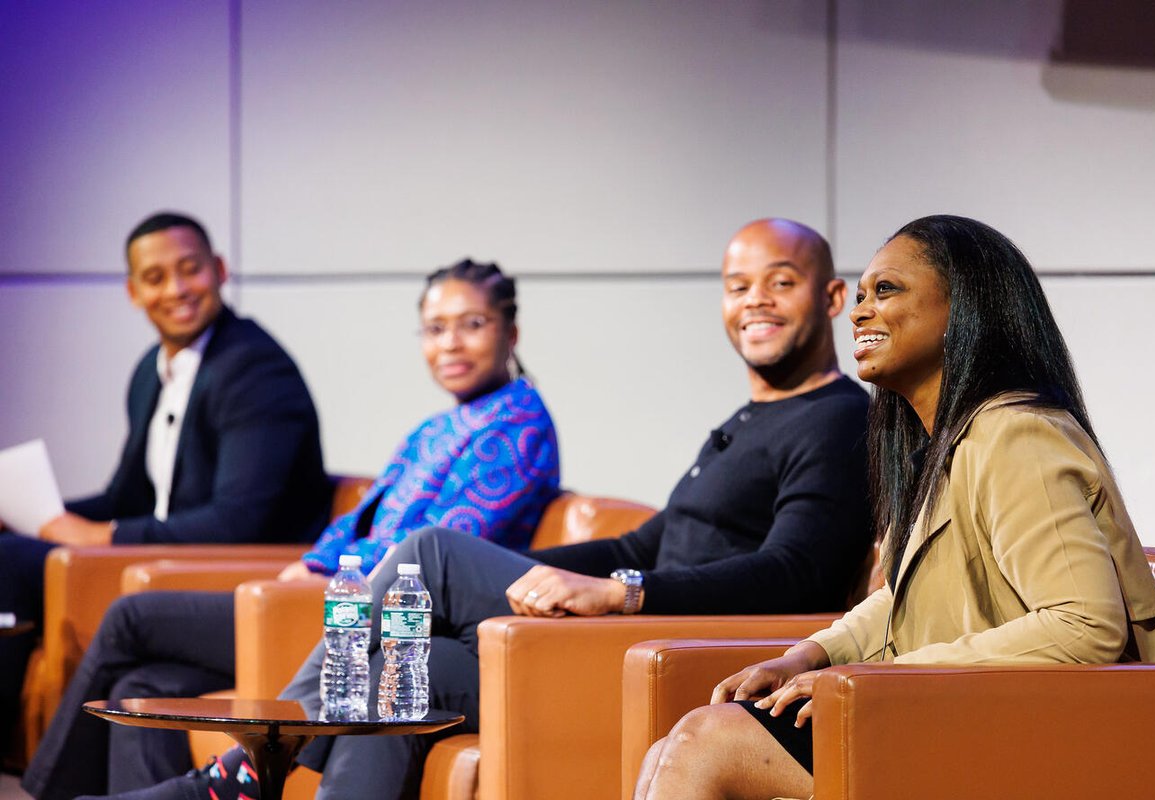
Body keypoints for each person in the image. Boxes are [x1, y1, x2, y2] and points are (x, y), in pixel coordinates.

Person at [85, 217, 875, 800]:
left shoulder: (838, 420)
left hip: (661, 650)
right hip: (617, 631)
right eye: (738, 286)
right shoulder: (748, 420)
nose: (755, 301)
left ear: (832, 297)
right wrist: (531, 579)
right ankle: (248, 770)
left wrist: (625, 593)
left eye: (780, 281)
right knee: (399, 670)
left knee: (431, 553)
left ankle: (250, 764)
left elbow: (796, 574)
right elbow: (646, 543)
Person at [633, 214, 1155, 800]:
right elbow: (903, 598)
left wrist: (877, 678)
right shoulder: (944, 443)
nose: (860, 312)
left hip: (1058, 733)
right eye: (861, 296)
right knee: (675, 747)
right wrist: (809, 656)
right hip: (964, 712)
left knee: (702, 744)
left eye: (886, 290)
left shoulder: (1016, 434)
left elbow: (1084, 626)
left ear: (963, 310)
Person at [21, 259, 561, 800]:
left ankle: (47, 792)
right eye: (435, 328)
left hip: (381, 618)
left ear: (510, 333)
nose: (450, 344)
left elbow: (438, 545)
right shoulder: (435, 427)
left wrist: (323, 574)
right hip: (334, 600)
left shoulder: (518, 423)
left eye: (472, 324)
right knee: (144, 684)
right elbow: (358, 520)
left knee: (132, 617)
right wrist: (312, 563)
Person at [0, 212, 330, 754]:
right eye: (155, 278)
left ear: (219, 269)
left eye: (190, 269)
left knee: (11, 560)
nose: (176, 289)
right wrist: (34, 513)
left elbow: (238, 521)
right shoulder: (150, 371)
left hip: (234, 571)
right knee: (12, 545)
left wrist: (98, 537)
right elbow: (127, 497)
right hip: (163, 558)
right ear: (134, 292)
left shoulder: (255, 370)